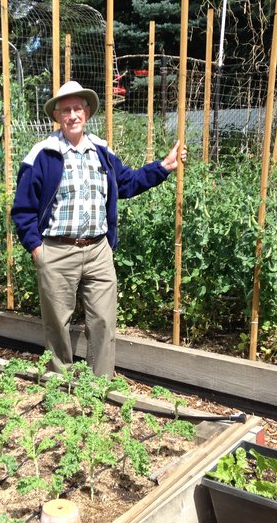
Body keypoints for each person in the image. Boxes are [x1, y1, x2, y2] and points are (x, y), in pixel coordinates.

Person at [11, 80, 186, 377]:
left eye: (77, 108)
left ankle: (101, 386)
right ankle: (60, 382)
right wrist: (36, 248)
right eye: (65, 110)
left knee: (103, 320)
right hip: (56, 250)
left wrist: (163, 168)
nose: (72, 115)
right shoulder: (43, 154)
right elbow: (23, 207)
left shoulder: (101, 152)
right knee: (57, 323)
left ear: (87, 112)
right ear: (57, 117)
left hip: (98, 250)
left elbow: (127, 183)